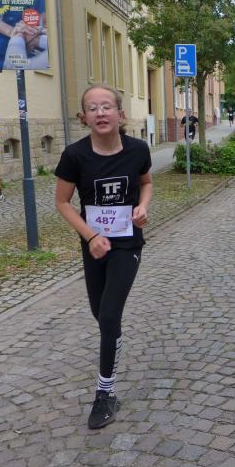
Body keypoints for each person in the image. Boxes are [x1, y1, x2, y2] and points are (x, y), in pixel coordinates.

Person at [54, 84, 153, 429]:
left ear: (120, 114)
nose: (100, 113)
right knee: (101, 315)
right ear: (84, 117)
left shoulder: (138, 149)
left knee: (109, 316)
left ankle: (104, 393)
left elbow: (146, 182)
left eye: (107, 106)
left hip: (126, 244)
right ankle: (113, 341)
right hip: (94, 245)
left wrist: (142, 207)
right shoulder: (74, 155)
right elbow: (62, 202)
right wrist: (91, 236)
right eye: (92, 108)